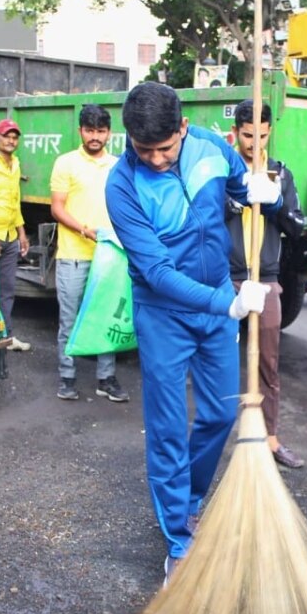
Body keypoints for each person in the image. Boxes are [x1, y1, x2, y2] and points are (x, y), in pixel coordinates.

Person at [104, 82, 278, 583]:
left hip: (217, 300)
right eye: (143, 150)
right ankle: (179, 536)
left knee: (223, 412)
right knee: (166, 429)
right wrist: (228, 303)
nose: (156, 160)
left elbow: (238, 188)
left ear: (183, 128)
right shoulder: (121, 186)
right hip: (163, 313)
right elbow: (157, 273)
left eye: (165, 147)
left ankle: (191, 498)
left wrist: (254, 189)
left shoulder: (210, 146)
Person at [226, 99, 306, 468]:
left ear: (269, 130)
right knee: (218, 360)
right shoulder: (222, 170)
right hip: (227, 278)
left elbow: (296, 227)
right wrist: (232, 201)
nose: (253, 143)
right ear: (235, 132)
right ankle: (220, 435)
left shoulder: (280, 174)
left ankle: (271, 439)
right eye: (246, 136)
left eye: (260, 135)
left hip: (267, 279)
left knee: (268, 366)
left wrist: (274, 205)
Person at [50, 104, 128, 403]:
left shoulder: (118, 165)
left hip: (109, 257)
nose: (95, 136)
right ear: (80, 131)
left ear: (109, 133)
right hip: (72, 254)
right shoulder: (66, 163)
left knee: (106, 318)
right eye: (90, 130)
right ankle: (67, 377)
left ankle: (105, 379)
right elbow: (57, 208)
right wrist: (85, 230)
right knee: (69, 320)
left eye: (101, 131)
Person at [0, 118, 31, 352]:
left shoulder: (15, 163)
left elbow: (15, 201)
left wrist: (22, 233)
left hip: (11, 235)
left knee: (8, 288)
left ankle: (6, 336)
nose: (11, 141)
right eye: (7, 136)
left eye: (15, 137)